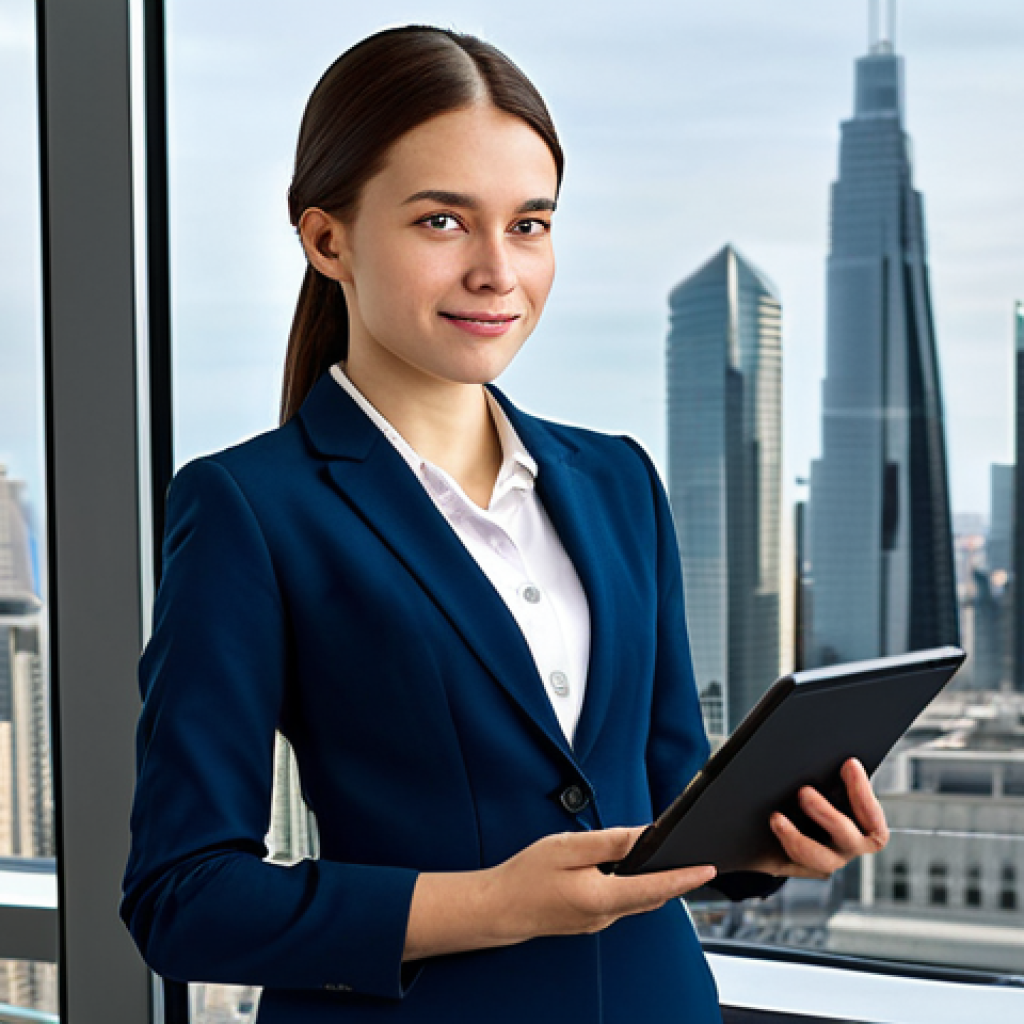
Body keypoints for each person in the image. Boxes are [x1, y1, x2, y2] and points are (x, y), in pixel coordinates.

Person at [121, 25, 889, 1024]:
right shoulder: (249, 509)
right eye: (444, 222)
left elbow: (661, 803)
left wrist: (769, 842)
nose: (497, 270)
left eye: (529, 224)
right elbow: (181, 899)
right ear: (327, 239)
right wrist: (487, 904)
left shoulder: (617, 479)